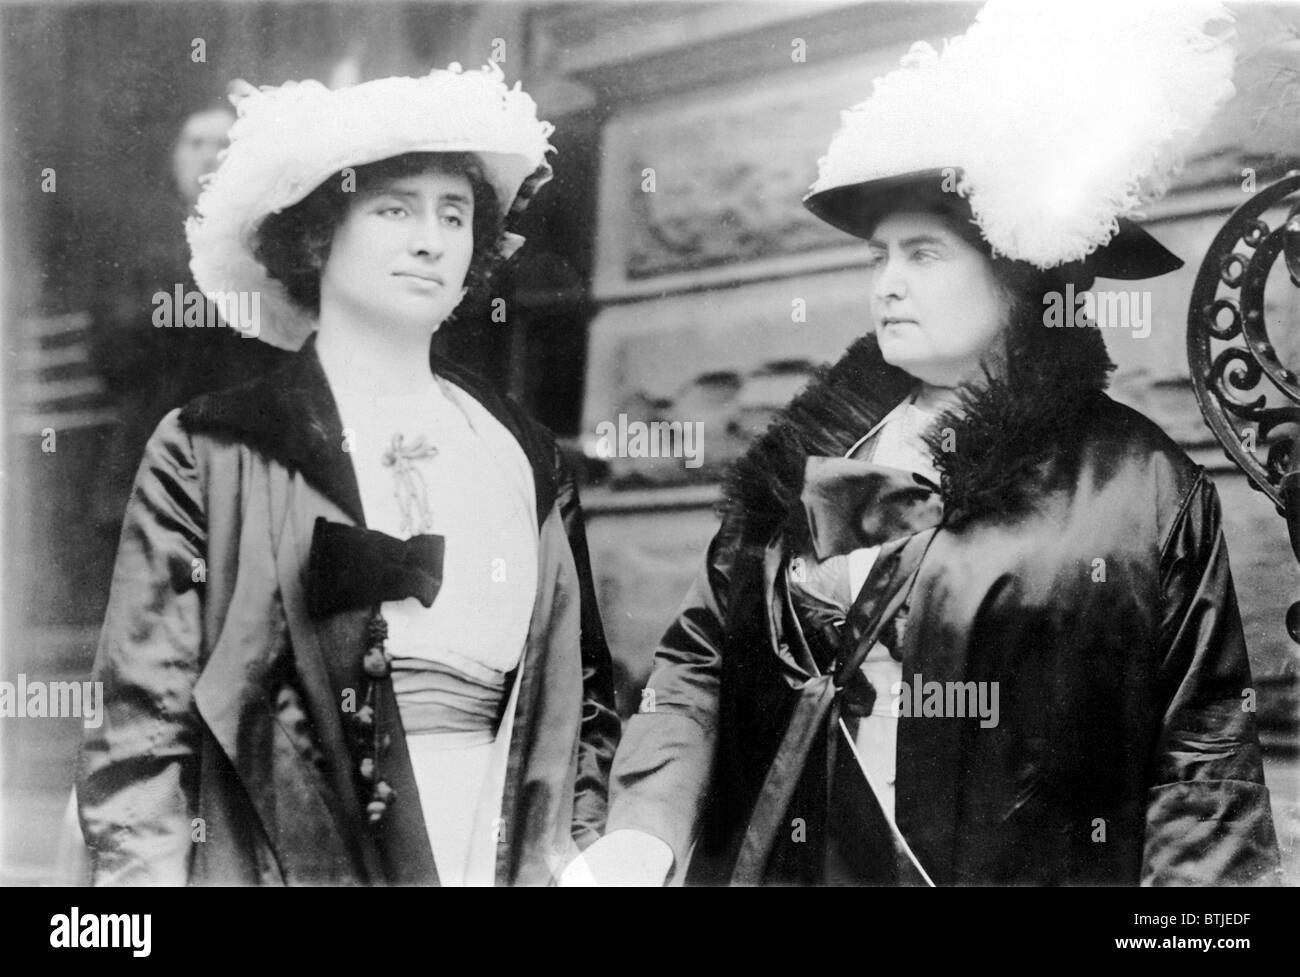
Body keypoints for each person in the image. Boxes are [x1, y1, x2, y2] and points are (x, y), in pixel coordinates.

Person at [574, 0, 1283, 886]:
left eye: (924, 254)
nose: (887, 285)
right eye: (880, 257)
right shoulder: (806, 456)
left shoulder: (1142, 487)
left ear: (1020, 272)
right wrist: (645, 827)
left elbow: (1201, 763)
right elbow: (698, 660)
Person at [78, 63, 620, 886]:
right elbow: (142, 735)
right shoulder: (212, 450)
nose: (431, 239)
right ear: (320, 231)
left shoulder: (522, 454)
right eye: (395, 207)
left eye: (455, 213)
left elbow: (584, 709)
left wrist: (575, 862)